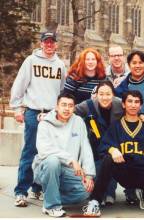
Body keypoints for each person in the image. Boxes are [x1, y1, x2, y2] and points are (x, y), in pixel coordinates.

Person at [82, 90, 144, 217]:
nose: (133, 105)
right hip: (124, 171)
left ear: (140, 106)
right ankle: (94, 201)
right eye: (129, 101)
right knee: (108, 159)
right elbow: (103, 146)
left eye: (137, 102)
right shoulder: (116, 126)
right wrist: (112, 150)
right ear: (123, 104)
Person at [10, 31, 66, 207]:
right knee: (30, 152)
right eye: (46, 42)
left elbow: (62, 90)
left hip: (52, 114)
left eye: (52, 42)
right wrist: (17, 108)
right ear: (41, 44)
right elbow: (19, 85)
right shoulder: (31, 61)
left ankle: (38, 187)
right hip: (34, 112)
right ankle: (21, 191)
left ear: (56, 44)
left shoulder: (60, 65)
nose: (49, 45)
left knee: (48, 154)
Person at [32, 92, 96, 217]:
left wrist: (89, 174)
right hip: (45, 168)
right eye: (63, 105)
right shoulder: (44, 124)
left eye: (70, 106)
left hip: (68, 171)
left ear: (74, 107)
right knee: (53, 161)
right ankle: (51, 206)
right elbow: (44, 150)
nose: (67, 109)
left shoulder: (78, 122)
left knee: (85, 192)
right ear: (56, 106)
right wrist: (71, 159)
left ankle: (51, 196)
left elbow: (85, 148)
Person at [75, 81, 138, 205]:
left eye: (108, 94)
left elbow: (133, 110)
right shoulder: (88, 105)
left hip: (117, 144)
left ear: (113, 95)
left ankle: (120, 192)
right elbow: (69, 110)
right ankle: (101, 193)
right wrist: (48, 116)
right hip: (96, 144)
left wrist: (142, 116)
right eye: (101, 94)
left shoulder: (120, 103)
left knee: (124, 161)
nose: (105, 97)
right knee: (100, 167)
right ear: (96, 95)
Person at [115, 50, 144, 120]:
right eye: (134, 63)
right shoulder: (122, 89)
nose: (137, 66)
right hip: (132, 127)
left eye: (140, 63)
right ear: (129, 65)